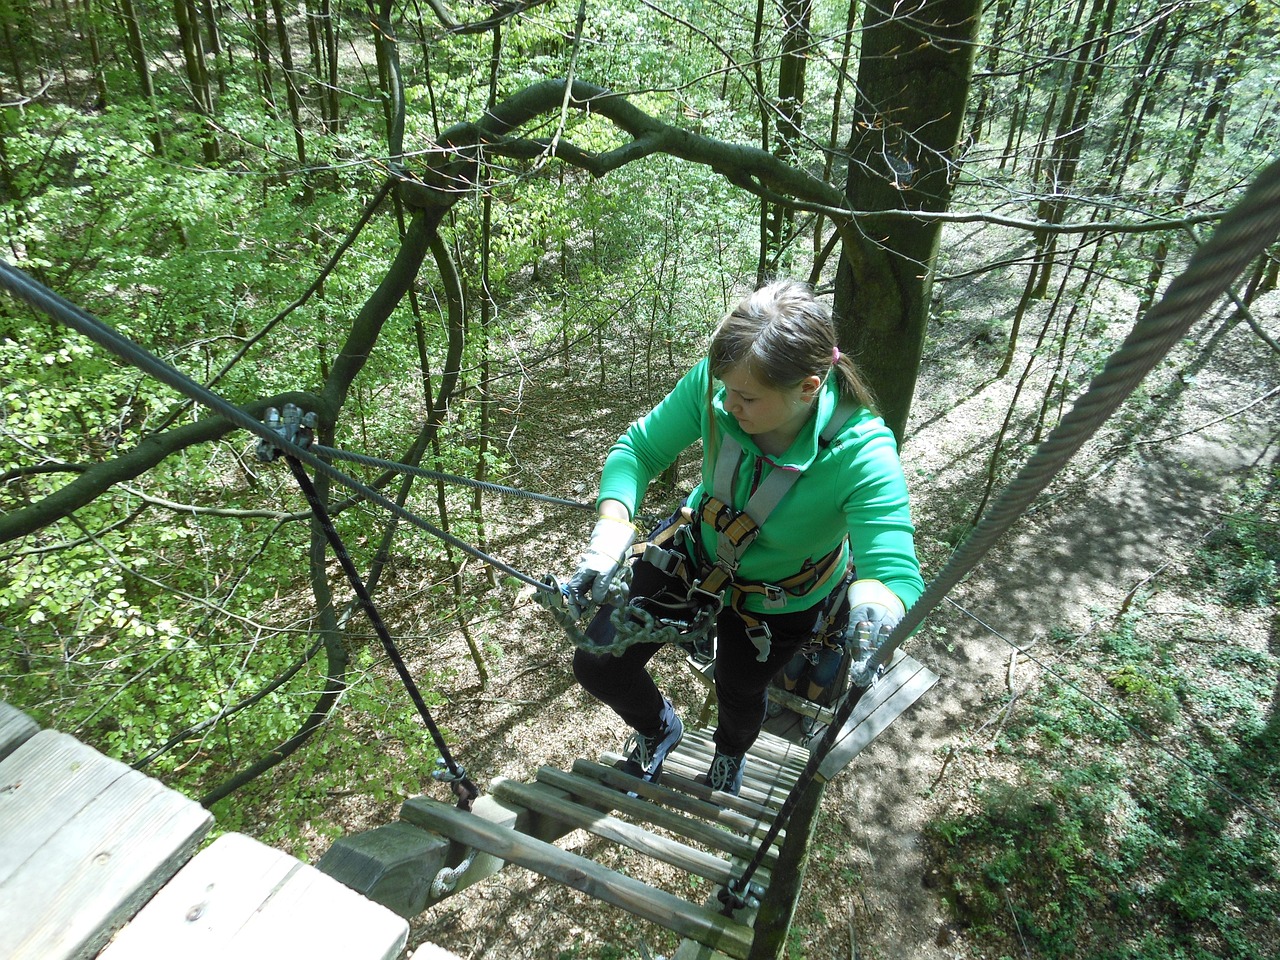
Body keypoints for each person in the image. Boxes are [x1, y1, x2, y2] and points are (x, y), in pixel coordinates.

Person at [565, 280, 924, 795]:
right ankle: (658, 727)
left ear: (808, 386)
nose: (726, 403)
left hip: (778, 600)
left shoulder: (862, 453)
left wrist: (875, 608)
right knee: (598, 662)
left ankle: (730, 755)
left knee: (739, 690)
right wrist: (610, 532)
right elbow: (637, 452)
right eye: (724, 387)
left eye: (747, 397)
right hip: (692, 555)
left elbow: (892, 570)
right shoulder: (721, 385)